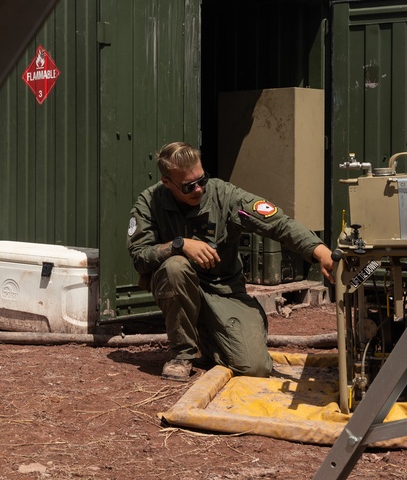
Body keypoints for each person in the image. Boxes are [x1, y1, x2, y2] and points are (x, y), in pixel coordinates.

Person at [127, 142, 335, 381]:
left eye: (202, 180)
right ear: (167, 182)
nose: (198, 190)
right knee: (175, 266)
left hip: (226, 292)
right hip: (182, 287)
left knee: (254, 368)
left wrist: (320, 251)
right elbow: (140, 256)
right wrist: (179, 244)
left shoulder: (224, 195)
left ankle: (210, 338)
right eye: (188, 186)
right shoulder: (150, 202)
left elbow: (278, 223)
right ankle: (182, 355)